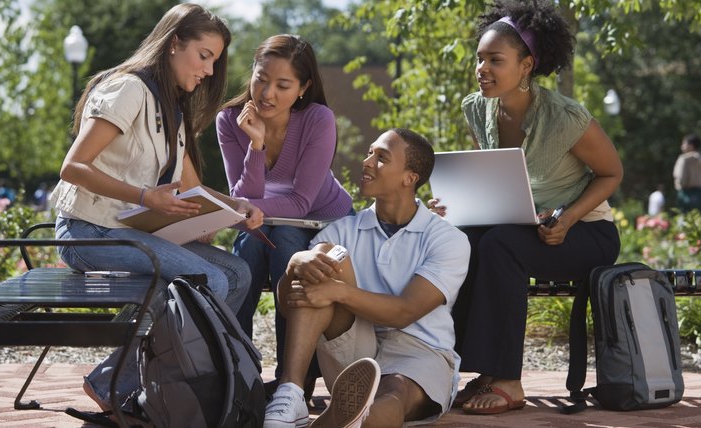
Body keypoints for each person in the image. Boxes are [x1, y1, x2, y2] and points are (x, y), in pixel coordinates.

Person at [48, 3, 263, 412]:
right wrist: (147, 198)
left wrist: (235, 207)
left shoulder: (173, 105)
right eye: (204, 56)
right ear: (174, 43)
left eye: (214, 62)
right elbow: (73, 167)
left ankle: (158, 383)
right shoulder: (129, 89)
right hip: (87, 232)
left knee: (237, 273)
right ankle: (120, 385)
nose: (209, 71)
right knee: (208, 283)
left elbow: (191, 187)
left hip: (129, 232)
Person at [429, 0, 623, 415]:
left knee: (499, 245)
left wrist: (568, 218)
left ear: (527, 65)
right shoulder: (476, 108)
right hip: (526, 228)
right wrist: (455, 205)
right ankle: (478, 369)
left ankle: (510, 382)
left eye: (495, 60)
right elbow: (494, 178)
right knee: (462, 241)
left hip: (586, 233)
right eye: (479, 58)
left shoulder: (566, 117)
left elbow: (611, 174)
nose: (482, 68)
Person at [262, 128, 470, 428]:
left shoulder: (447, 239)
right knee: (324, 255)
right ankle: (291, 391)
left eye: (381, 157)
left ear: (409, 177)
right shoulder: (342, 230)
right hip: (355, 341)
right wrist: (295, 264)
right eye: (369, 153)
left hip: (420, 348)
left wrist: (338, 293)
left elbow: (404, 312)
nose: (367, 162)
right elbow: (289, 305)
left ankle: (349, 420)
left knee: (393, 393)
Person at [216, 34, 352, 394]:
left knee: (288, 242)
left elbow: (301, 203)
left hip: (322, 219)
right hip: (267, 218)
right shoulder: (231, 120)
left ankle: (294, 377)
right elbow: (243, 198)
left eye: (282, 85)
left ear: (303, 88)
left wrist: (247, 208)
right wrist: (256, 145)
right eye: (260, 78)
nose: (266, 93)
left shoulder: (317, 119)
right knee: (246, 252)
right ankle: (238, 371)